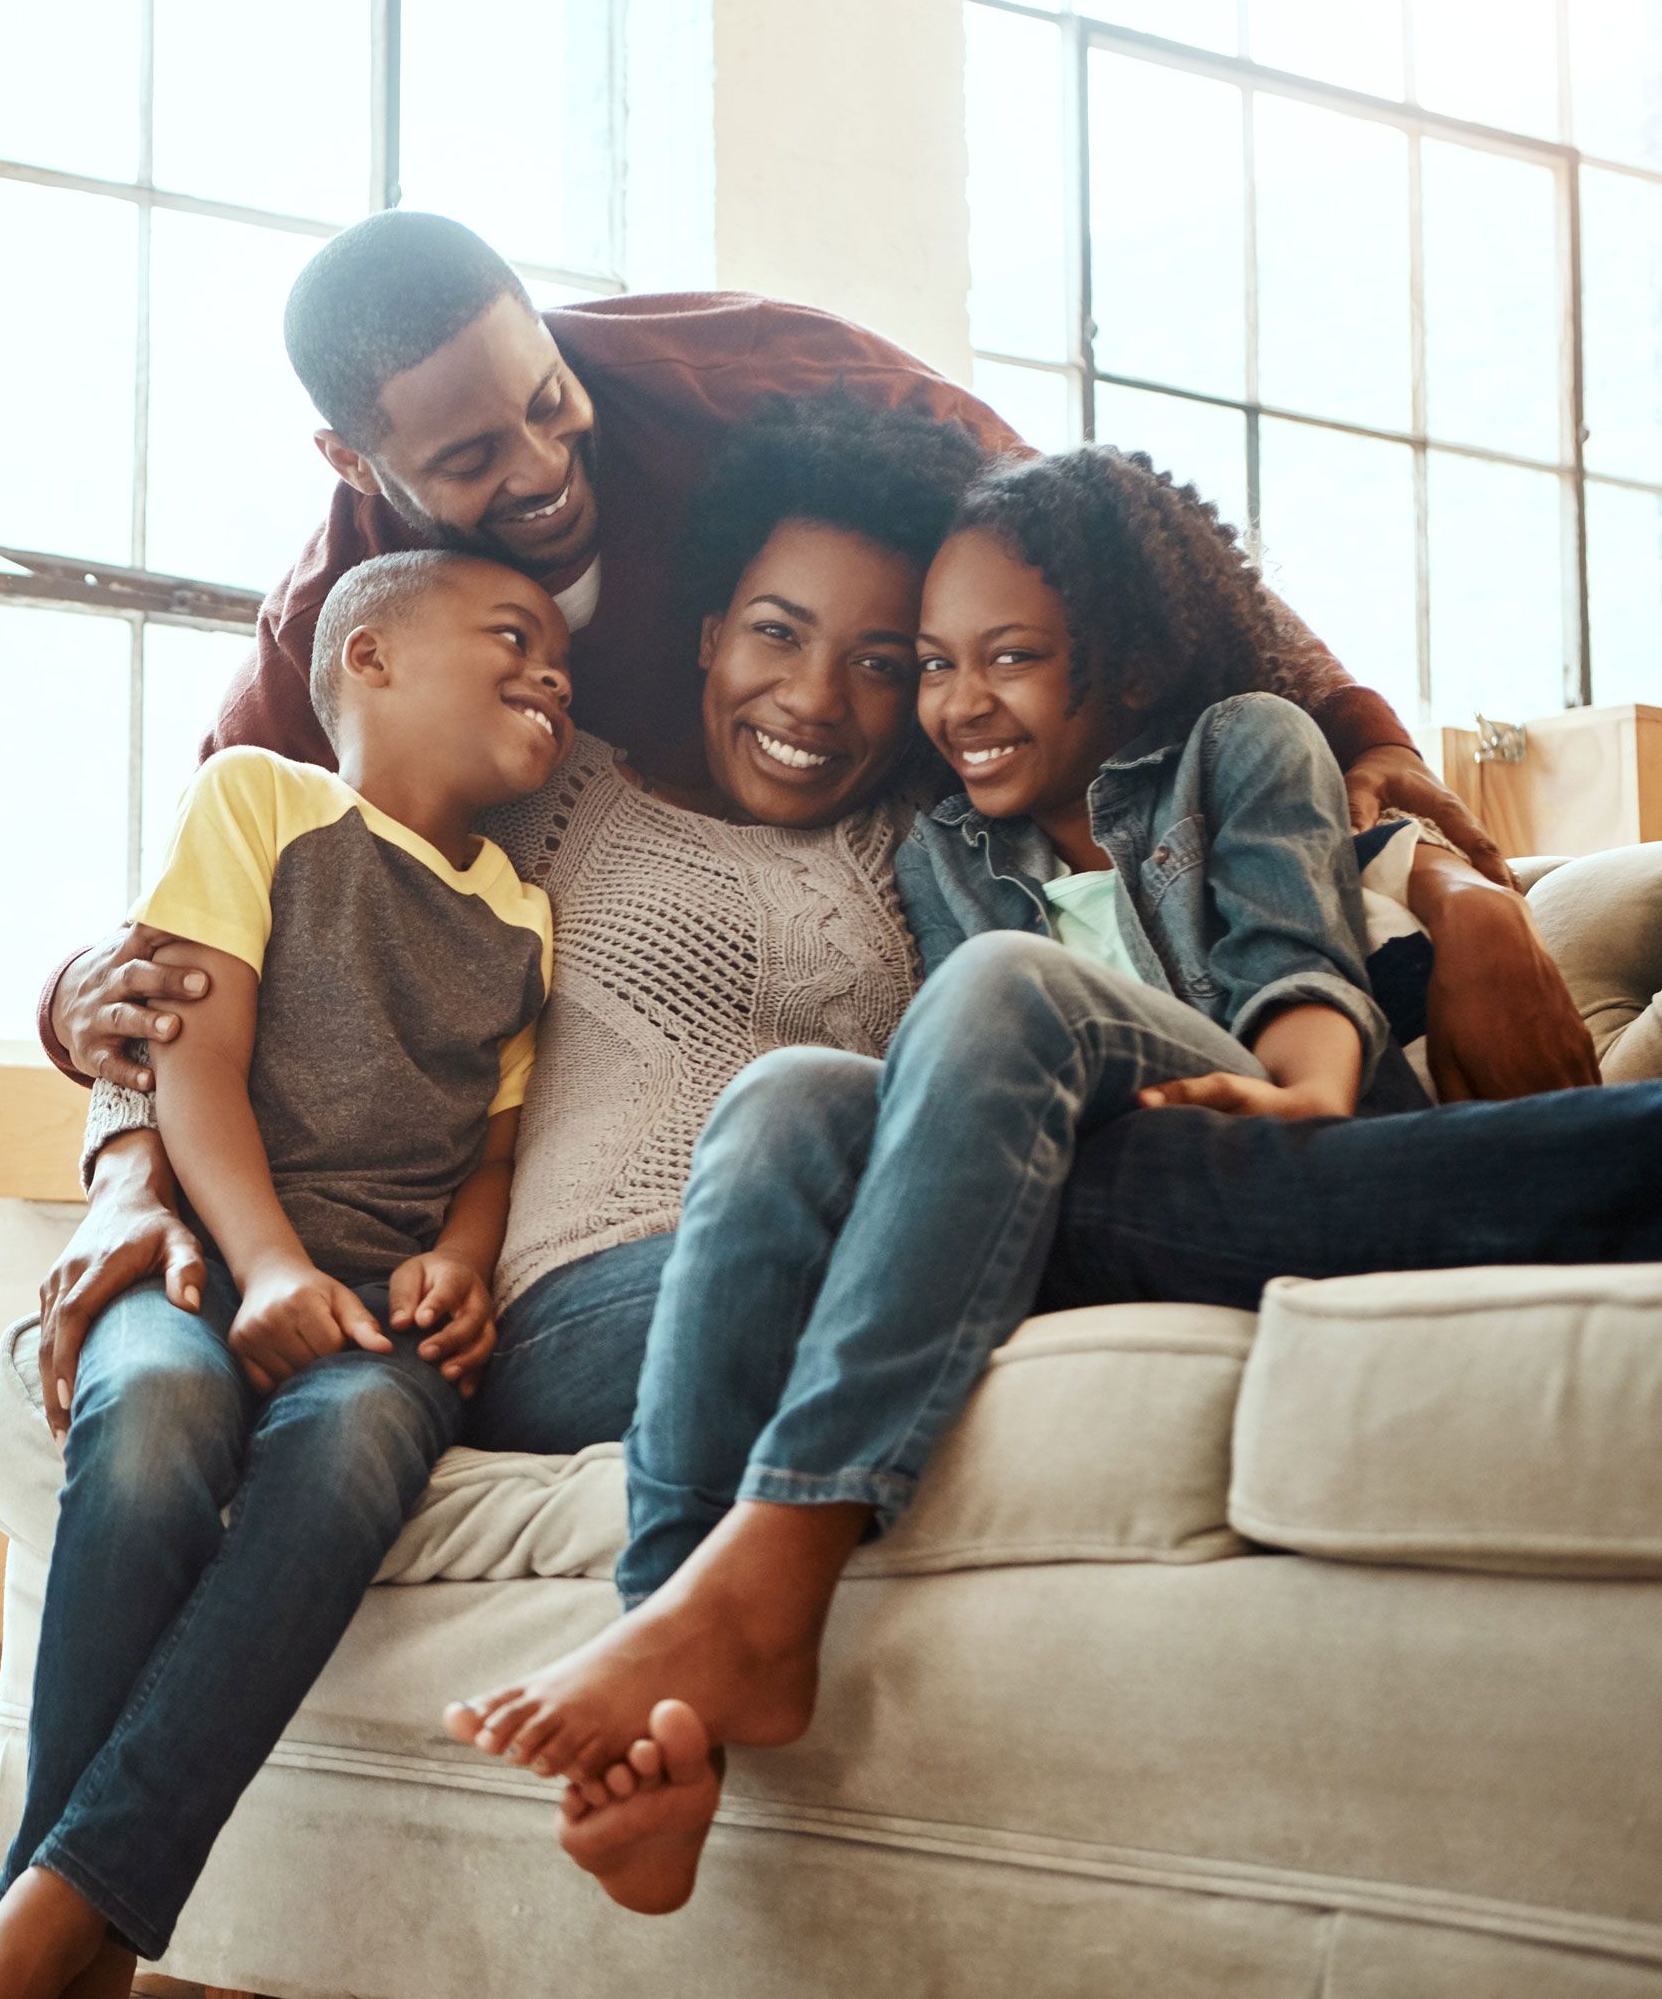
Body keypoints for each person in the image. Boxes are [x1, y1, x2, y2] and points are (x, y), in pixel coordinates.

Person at [439, 448, 1662, 1917]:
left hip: (1275, 1114)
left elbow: (1296, 955)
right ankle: (678, 1681)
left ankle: (772, 1567)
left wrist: (1319, 1079)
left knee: (1011, 991)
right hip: (1089, 1163)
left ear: (1126, 666)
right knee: (782, 1104)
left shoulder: (1238, 744)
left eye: (1004, 659)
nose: (955, 702)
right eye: (936, 666)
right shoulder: (946, 845)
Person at [38, 210, 1578, 1145]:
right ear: (353, 457)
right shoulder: (346, 625)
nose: (542, 466)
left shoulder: (748, 367)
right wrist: (79, 1025)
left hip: (957, 866)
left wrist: (1392, 783)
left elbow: (1098, 543)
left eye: (548, 400)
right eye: (467, 458)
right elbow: (199, 925)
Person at [0, 554, 573, 1999]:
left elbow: (490, 1156)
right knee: (154, 1420)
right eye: (511, 639)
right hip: (202, 1261)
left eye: (562, 661)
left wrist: (465, 1267)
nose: (551, 673)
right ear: (369, 660)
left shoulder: (527, 919)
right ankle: (72, 1947)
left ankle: (36, 1938)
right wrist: (268, 1266)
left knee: (351, 1441)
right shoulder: (262, 803)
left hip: (379, 1321)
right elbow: (192, 1065)